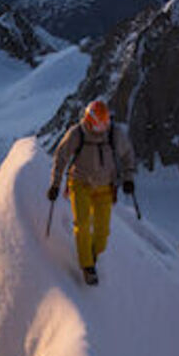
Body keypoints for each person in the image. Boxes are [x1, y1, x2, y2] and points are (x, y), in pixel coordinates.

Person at [48, 99, 136, 285]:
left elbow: (127, 155)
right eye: (98, 124)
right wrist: (55, 184)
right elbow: (61, 157)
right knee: (82, 224)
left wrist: (128, 178)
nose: (102, 128)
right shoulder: (77, 134)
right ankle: (87, 267)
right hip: (80, 184)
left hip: (105, 187)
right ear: (89, 121)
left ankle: (93, 256)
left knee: (102, 232)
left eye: (105, 124)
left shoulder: (114, 134)